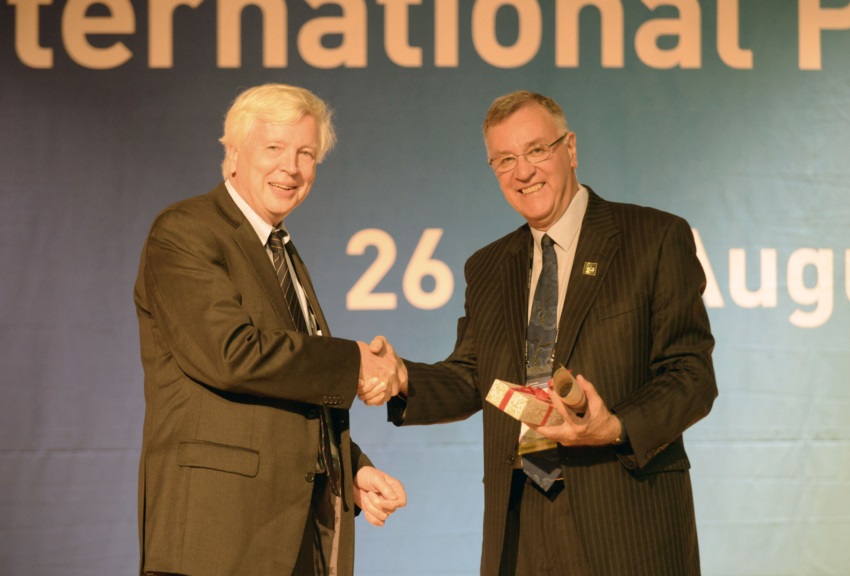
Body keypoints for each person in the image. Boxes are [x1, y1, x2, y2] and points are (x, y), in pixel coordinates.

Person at [377, 90, 717, 575]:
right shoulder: (489, 266)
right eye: (505, 160)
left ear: (570, 148)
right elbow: (475, 378)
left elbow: (691, 375)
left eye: (537, 150)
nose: (523, 171)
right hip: (520, 522)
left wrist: (614, 426)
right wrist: (404, 378)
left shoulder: (654, 238)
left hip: (624, 516)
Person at [134, 83, 407, 576]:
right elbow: (232, 354)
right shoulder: (186, 231)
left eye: (306, 153)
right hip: (216, 538)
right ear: (234, 153)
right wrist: (354, 363)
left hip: (295, 535)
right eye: (275, 148)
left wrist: (350, 468)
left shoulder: (281, 251)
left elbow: (290, 387)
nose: (292, 168)